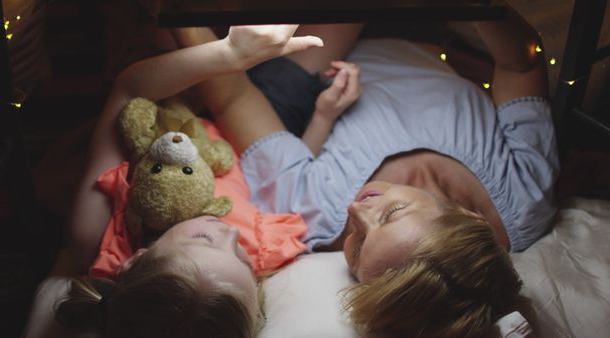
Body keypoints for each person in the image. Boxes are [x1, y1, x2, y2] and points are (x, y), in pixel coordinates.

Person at [196, 4, 558, 338]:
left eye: (357, 248)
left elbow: (233, 97)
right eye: (393, 214)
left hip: (315, 68)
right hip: (430, 31)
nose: (355, 211)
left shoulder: (316, 214)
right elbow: (522, 65)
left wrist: (176, 19)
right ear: (469, 217)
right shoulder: (525, 197)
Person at [56, 24, 363, 338]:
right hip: (252, 126)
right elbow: (285, 184)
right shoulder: (259, 254)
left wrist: (229, 55)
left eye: (204, 238)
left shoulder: (95, 233)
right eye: (242, 258)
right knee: (337, 23)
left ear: (136, 261)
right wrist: (323, 117)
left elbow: (129, 91)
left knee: (159, 29)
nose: (229, 231)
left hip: (164, 103)